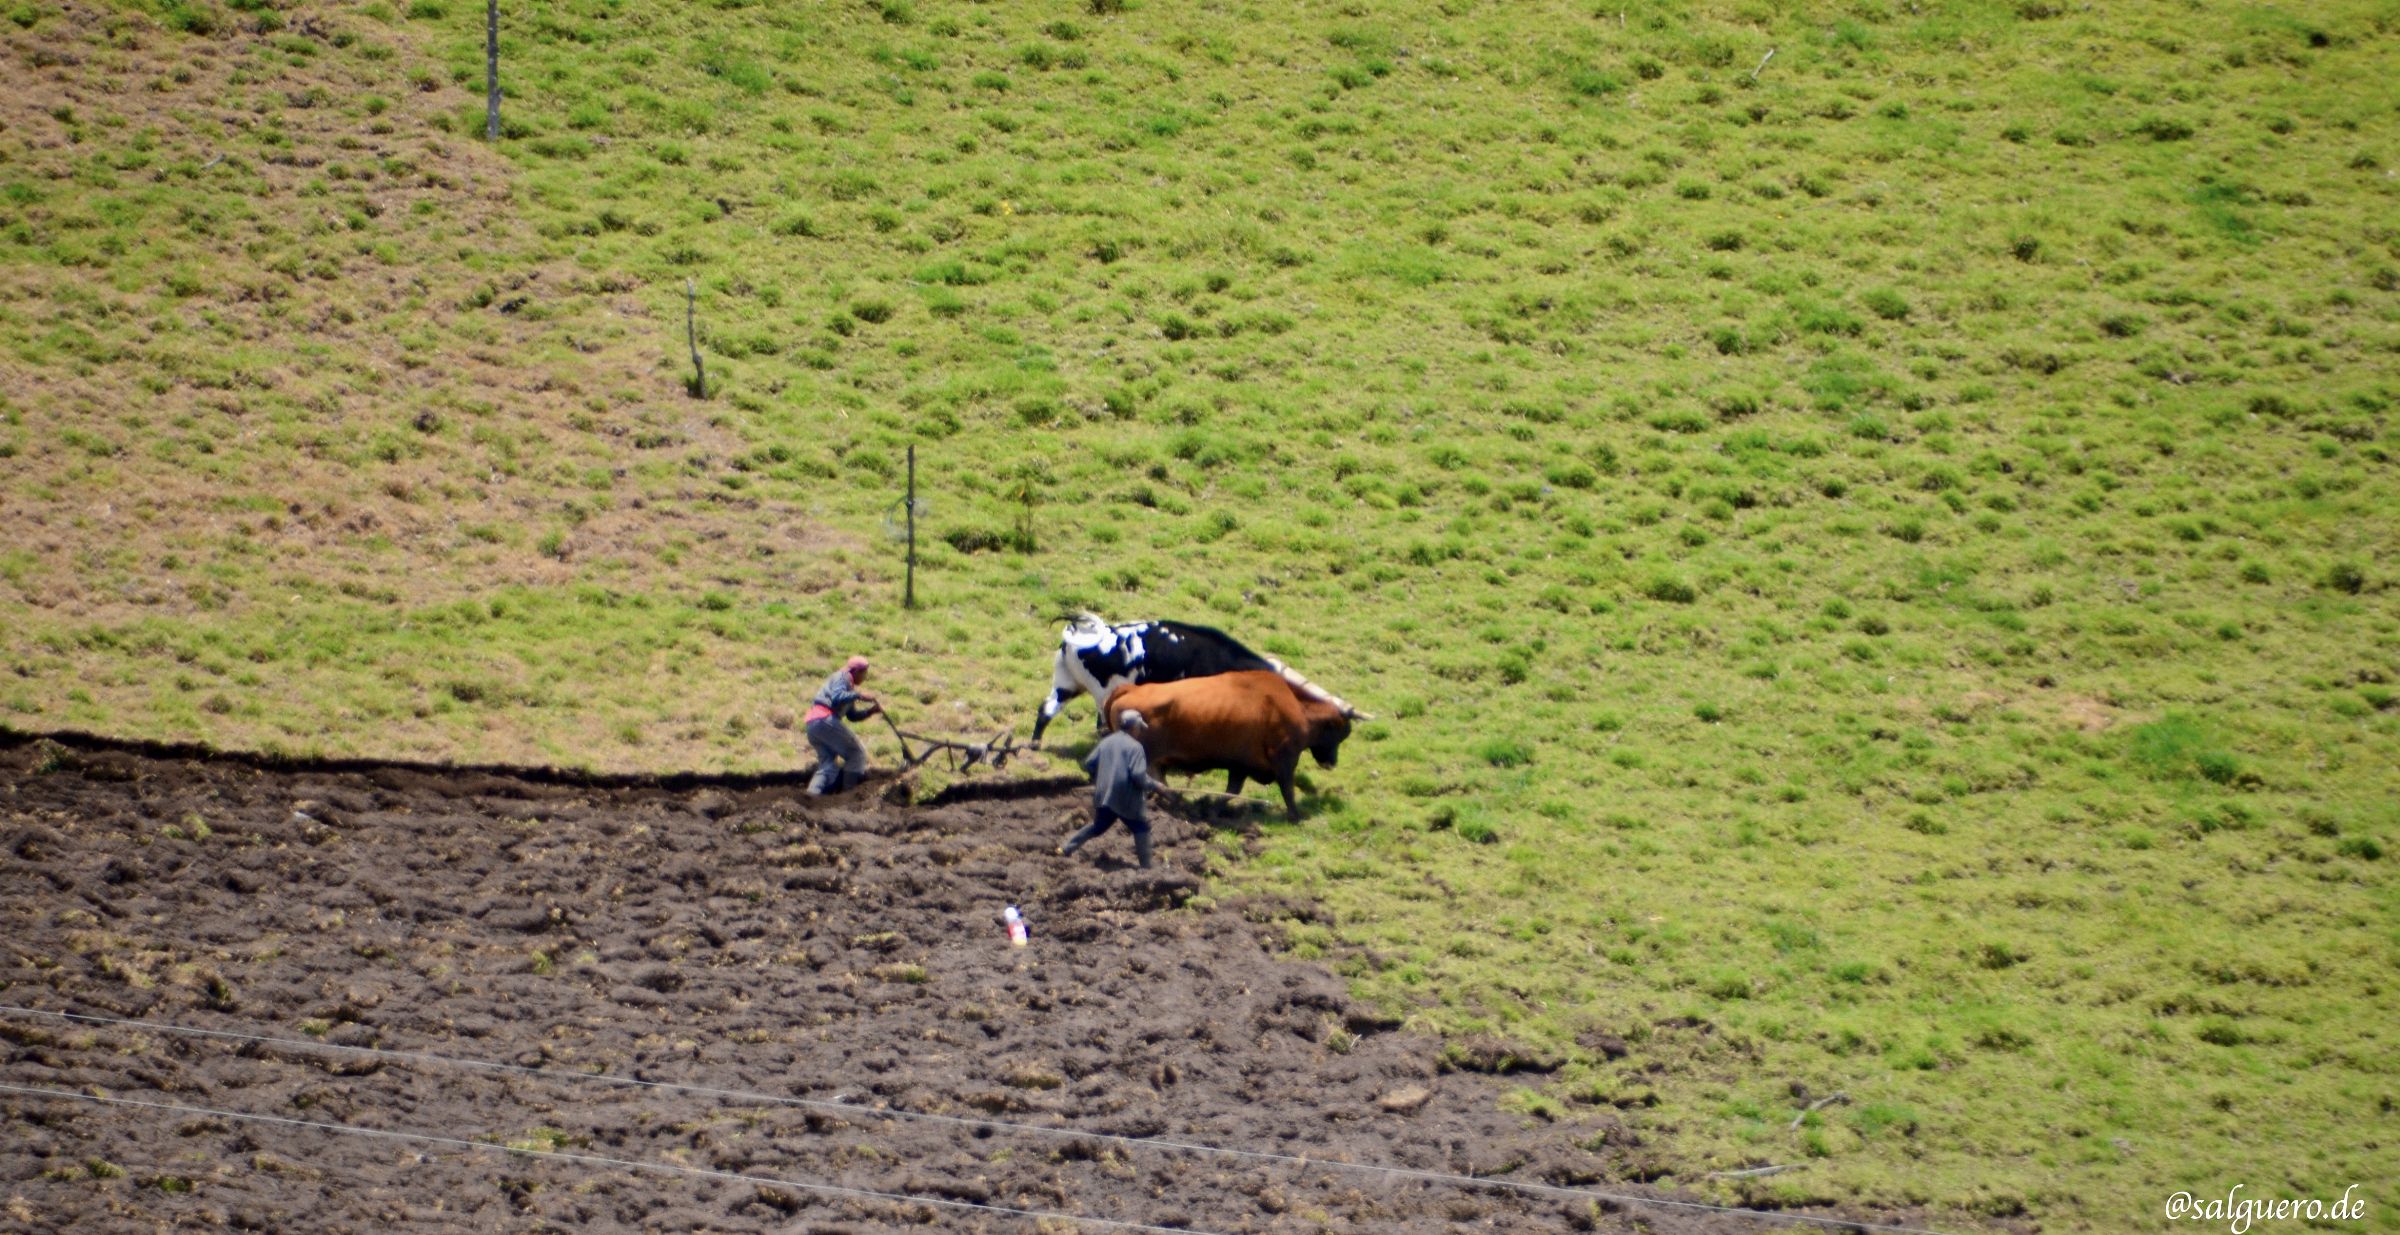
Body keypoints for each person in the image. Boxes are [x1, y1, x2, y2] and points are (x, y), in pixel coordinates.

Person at [1059, 711, 1167, 868]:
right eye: (1139, 728)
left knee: (1098, 826)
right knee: (1140, 827)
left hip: (1104, 795)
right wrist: (1157, 786)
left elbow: (1088, 763)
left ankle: (1065, 848)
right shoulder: (1135, 748)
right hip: (1125, 798)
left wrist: (1102, 774)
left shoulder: (1106, 741)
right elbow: (1138, 776)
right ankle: (1147, 868)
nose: (1139, 731)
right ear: (1133, 728)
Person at [804, 655, 881, 796]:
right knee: (856, 753)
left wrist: (870, 712)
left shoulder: (848, 688)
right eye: (864, 673)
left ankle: (811, 797)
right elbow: (837, 697)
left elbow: (852, 716)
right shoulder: (843, 678)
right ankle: (848, 796)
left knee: (828, 765)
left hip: (813, 724)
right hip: (824, 719)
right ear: (856, 671)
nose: (865, 677)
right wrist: (859, 695)